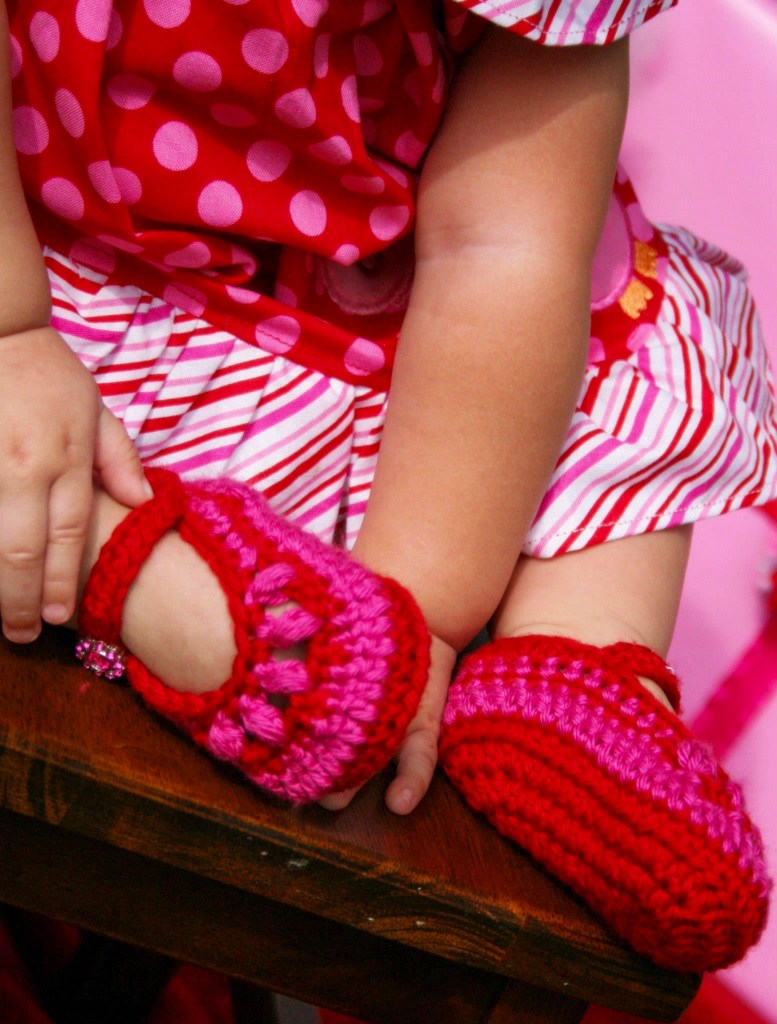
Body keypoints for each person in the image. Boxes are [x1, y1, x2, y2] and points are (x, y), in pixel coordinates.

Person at [1, 0, 773, 971]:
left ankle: (563, 668)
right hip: (45, 290)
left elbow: (512, 255)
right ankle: (141, 571)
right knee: (24, 446)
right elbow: (503, 250)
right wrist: (13, 330)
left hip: (373, 362)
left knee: (594, 341)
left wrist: (411, 613)